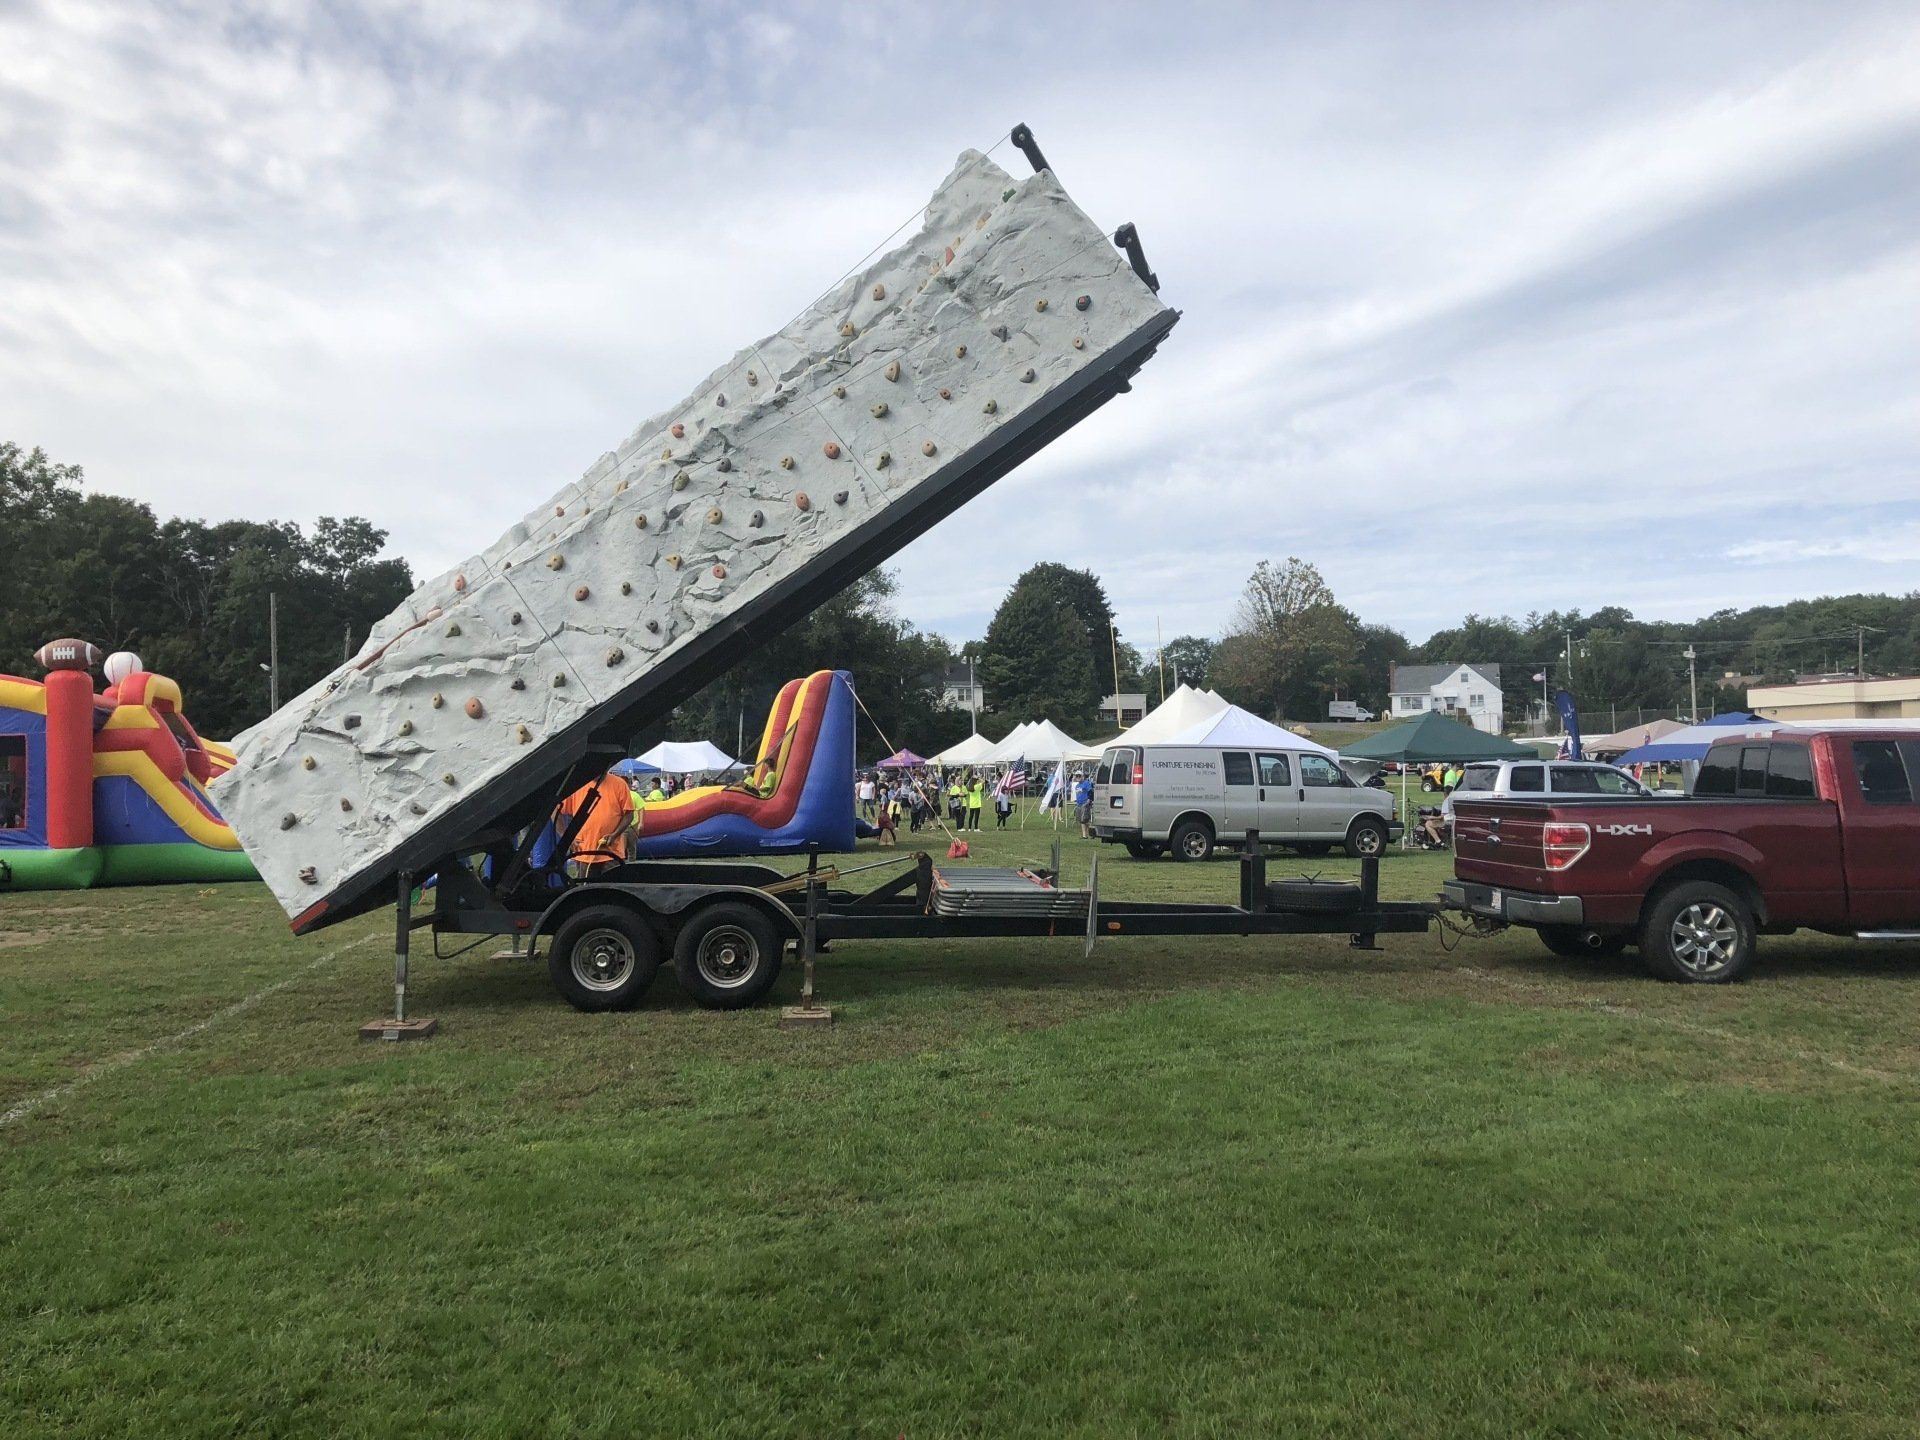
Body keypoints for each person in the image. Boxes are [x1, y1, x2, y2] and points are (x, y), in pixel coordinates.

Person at [1073, 770, 1095, 838]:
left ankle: (1087, 834)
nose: (1078, 777)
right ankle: (1087, 834)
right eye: (1077, 776)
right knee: (1082, 820)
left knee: (1084, 819)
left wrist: (1089, 800)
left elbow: (1091, 791)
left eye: (1079, 776)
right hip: (1079, 804)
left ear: (1082, 776)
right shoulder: (1076, 785)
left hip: (1085, 803)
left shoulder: (1086, 783)